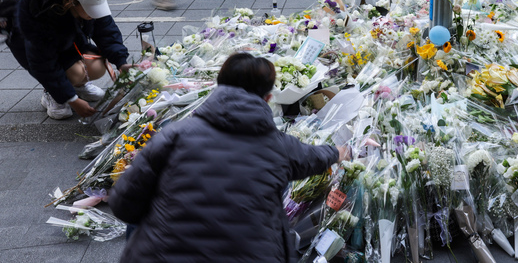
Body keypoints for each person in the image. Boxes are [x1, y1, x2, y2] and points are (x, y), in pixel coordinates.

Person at [109, 52, 349, 261]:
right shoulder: (279, 146)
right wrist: (337, 153)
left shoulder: (175, 135)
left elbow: (123, 204)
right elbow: (310, 157)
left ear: (218, 86)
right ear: (267, 98)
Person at [6, 0, 131, 120]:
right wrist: (71, 99)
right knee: (73, 73)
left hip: (65, 41)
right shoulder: (41, 16)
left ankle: (77, 86)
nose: (94, 14)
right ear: (71, 1)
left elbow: (107, 32)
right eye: (89, 9)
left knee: (97, 67)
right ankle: (52, 93)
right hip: (24, 43)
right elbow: (42, 64)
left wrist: (122, 62)